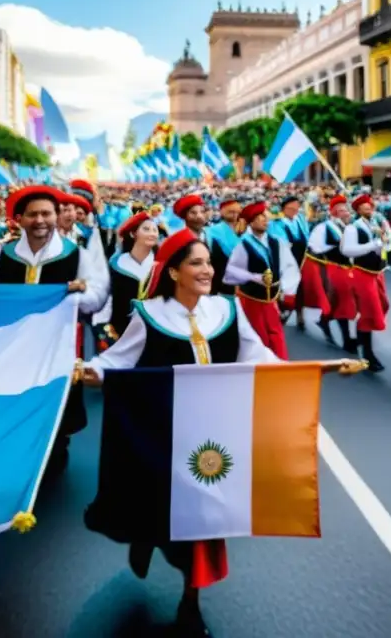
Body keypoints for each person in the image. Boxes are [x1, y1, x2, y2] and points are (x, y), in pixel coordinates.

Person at [80, 228, 282, 637]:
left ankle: (191, 603)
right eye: (196, 263)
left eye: (208, 262)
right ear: (173, 271)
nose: (207, 269)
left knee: (204, 525)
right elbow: (117, 360)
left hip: (215, 437)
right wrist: (88, 371)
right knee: (160, 508)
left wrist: (314, 372)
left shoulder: (228, 309)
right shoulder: (150, 314)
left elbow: (258, 355)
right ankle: (146, 535)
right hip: (165, 435)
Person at [0, 185, 108, 472]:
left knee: (55, 416)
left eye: (46, 213)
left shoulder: (77, 255)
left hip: (56, 348)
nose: (40, 220)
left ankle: (53, 456)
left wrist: (71, 295)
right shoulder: (0, 255)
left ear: (56, 215)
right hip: (11, 349)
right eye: (33, 214)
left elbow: (98, 295)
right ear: (20, 219)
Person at [222, 201, 299, 359]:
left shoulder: (276, 242)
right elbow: (231, 271)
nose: (265, 220)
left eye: (266, 216)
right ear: (252, 221)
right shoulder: (244, 244)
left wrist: (286, 288)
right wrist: (254, 277)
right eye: (261, 217)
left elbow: (290, 265)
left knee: (275, 333)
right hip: (251, 299)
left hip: (271, 299)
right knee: (257, 335)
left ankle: (280, 366)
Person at [92, 210, 158, 351]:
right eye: (146, 229)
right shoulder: (116, 264)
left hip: (154, 330)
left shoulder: (160, 265)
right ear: (133, 233)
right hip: (120, 330)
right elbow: (107, 298)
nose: (152, 233)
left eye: (155, 230)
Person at [341, 194, 389, 371]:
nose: (369, 207)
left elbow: (383, 246)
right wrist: (374, 244)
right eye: (364, 205)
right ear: (358, 209)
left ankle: (361, 341)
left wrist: (383, 242)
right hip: (362, 274)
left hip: (376, 273)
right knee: (369, 312)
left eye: (370, 204)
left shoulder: (374, 225)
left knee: (383, 305)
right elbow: (348, 251)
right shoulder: (352, 228)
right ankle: (368, 354)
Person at [306, 195, 355, 351]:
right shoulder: (325, 227)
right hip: (333, 268)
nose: (345, 213)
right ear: (334, 213)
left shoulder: (350, 228)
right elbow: (314, 246)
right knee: (344, 302)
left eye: (346, 210)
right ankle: (347, 340)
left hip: (349, 269)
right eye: (341, 210)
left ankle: (324, 319)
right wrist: (335, 248)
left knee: (342, 302)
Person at [269, 195, 316, 331]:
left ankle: (300, 315)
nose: (295, 209)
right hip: (287, 258)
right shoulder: (277, 223)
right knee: (287, 287)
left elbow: (306, 235)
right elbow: (280, 242)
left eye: (296, 207)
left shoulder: (300, 219)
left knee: (301, 287)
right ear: (285, 208)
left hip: (302, 257)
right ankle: (282, 313)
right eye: (292, 207)